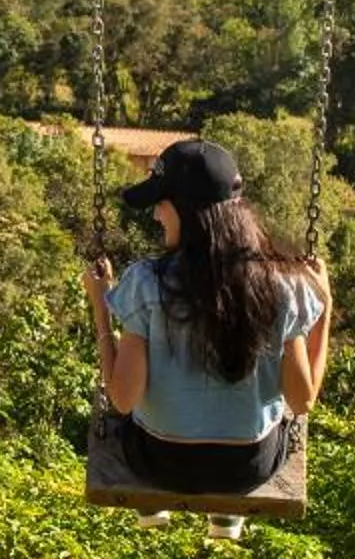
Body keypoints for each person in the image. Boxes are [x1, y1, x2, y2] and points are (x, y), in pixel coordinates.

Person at [81, 139, 330, 495]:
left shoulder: (145, 283)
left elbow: (122, 398)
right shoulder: (283, 286)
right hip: (249, 468)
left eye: (161, 205)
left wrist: (102, 308)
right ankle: (228, 518)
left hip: (160, 463)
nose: (155, 215)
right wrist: (326, 307)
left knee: (131, 417)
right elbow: (302, 400)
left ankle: (151, 504)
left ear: (186, 210)